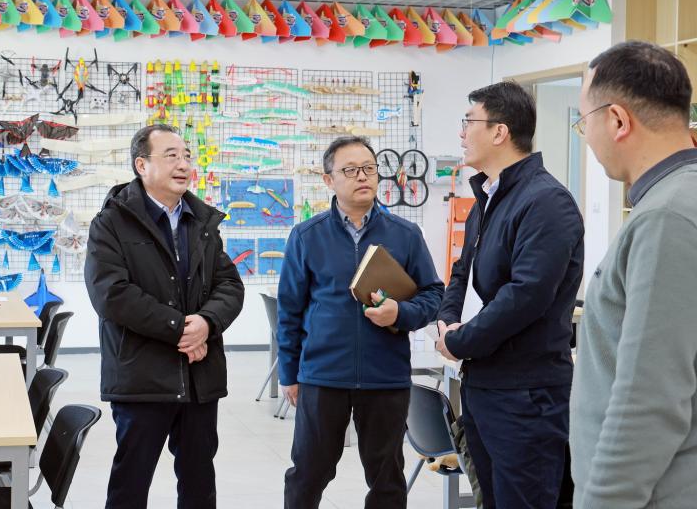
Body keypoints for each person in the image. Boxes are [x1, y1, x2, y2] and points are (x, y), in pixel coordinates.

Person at [434, 81, 584, 509]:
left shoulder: (546, 202)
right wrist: (447, 321)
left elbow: (526, 295)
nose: (462, 133)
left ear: (499, 131)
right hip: (482, 384)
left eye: (469, 122)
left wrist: (461, 341)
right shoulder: (488, 196)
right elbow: (462, 272)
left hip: (526, 394)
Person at [277, 135, 444, 509]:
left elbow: (433, 295)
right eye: (350, 170)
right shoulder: (306, 236)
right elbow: (289, 312)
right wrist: (289, 373)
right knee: (307, 475)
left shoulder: (405, 235)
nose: (363, 176)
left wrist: (400, 313)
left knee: (387, 481)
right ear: (329, 180)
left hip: (385, 377)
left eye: (369, 168)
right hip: (323, 375)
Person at [85, 124, 244, 509]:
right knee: (130, 484)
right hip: (142, 376)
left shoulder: (202, 222)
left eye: (187, 156)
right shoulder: (111, 222)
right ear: (142, 165)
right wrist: (181, 330)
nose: (184, 164)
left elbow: (229, 284)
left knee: (199, 483)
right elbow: (112, 295)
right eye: (171, 156)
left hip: (199, 377)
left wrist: (206, 323)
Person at [570, 41, 697, 509]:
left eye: (584, 121)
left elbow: (649, 397)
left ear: (618, 121)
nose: (586, 136)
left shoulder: (666, 217)